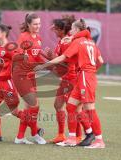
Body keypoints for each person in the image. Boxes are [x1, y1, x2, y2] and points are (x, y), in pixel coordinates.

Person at [34, 19, 105, 148]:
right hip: (84, 76)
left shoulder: (77, 41)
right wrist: (92, 70)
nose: (70, 31)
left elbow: (63, 58)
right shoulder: (90, 42)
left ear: (77, 30)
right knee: (71, 106)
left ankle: (99, 140)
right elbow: (101, 60)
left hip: (84, 77)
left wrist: (45, 65)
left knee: (90, 110)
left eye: (72, 29)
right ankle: (72, 138)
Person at [43, 16, 83, 144]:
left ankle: (79, 136)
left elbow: (65, 64)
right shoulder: (62, 41)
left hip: (71, 78)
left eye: (55, 29)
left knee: (73, 108)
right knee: (58, 105)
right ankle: (61, 135)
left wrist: (50, 57)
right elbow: (57, 64)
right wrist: (44, 56)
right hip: (65, 78)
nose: (52, 30)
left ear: (60, 30)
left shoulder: (66, 42)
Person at [12, 13, 46, 144]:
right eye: (35, 24)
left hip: (31, 75)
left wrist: (50, 64)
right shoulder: (23, 37)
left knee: (29, 108)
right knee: (34, 106)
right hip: (21, 75)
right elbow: (16, 54)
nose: (38, 26)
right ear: (28, 25)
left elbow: (37, 57)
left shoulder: (38, 38)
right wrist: (21, 55)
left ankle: (20, 137)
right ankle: (34, 133)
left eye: (39, 23)